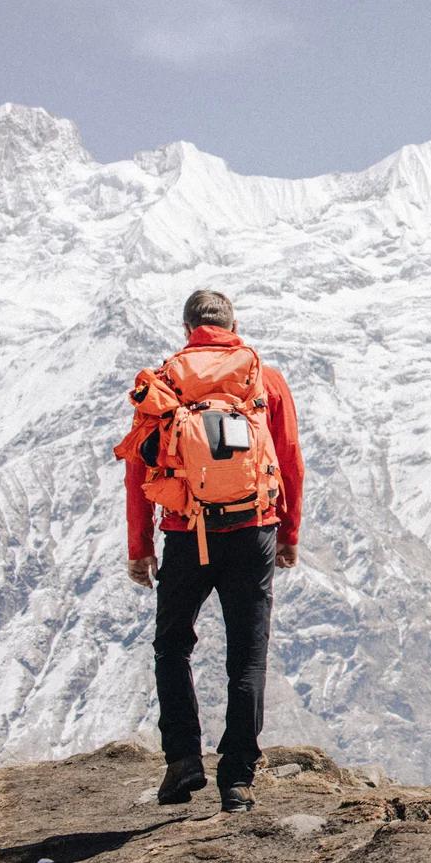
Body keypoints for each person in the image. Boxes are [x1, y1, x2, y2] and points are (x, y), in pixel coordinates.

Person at [124, 289, 304, 813]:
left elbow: (138, 469)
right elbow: (290, 461)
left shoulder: (163, 383)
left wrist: (140, 547)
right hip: (253, 531)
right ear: (235, 325)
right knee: (247, 656)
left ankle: (182, 761)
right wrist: (289, 533)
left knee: (172, 646)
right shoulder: (264, 380)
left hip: (185, 531)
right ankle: (238, 779)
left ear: (186, 330)